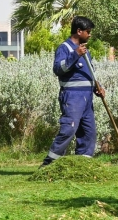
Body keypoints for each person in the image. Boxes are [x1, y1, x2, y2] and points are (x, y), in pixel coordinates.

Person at [42, 16, 106, 166]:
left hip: (87, 98)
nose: (90, 35)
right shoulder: (65, 48)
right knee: (68, 130)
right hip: (72, 97)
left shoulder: (85, 51)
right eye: (88, 32)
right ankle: (50, 164)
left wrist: (98, 87)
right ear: (79, 31)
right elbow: (58, 69)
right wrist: (75, 54)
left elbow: (89, 73)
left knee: (88, 133)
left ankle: (83, 165)